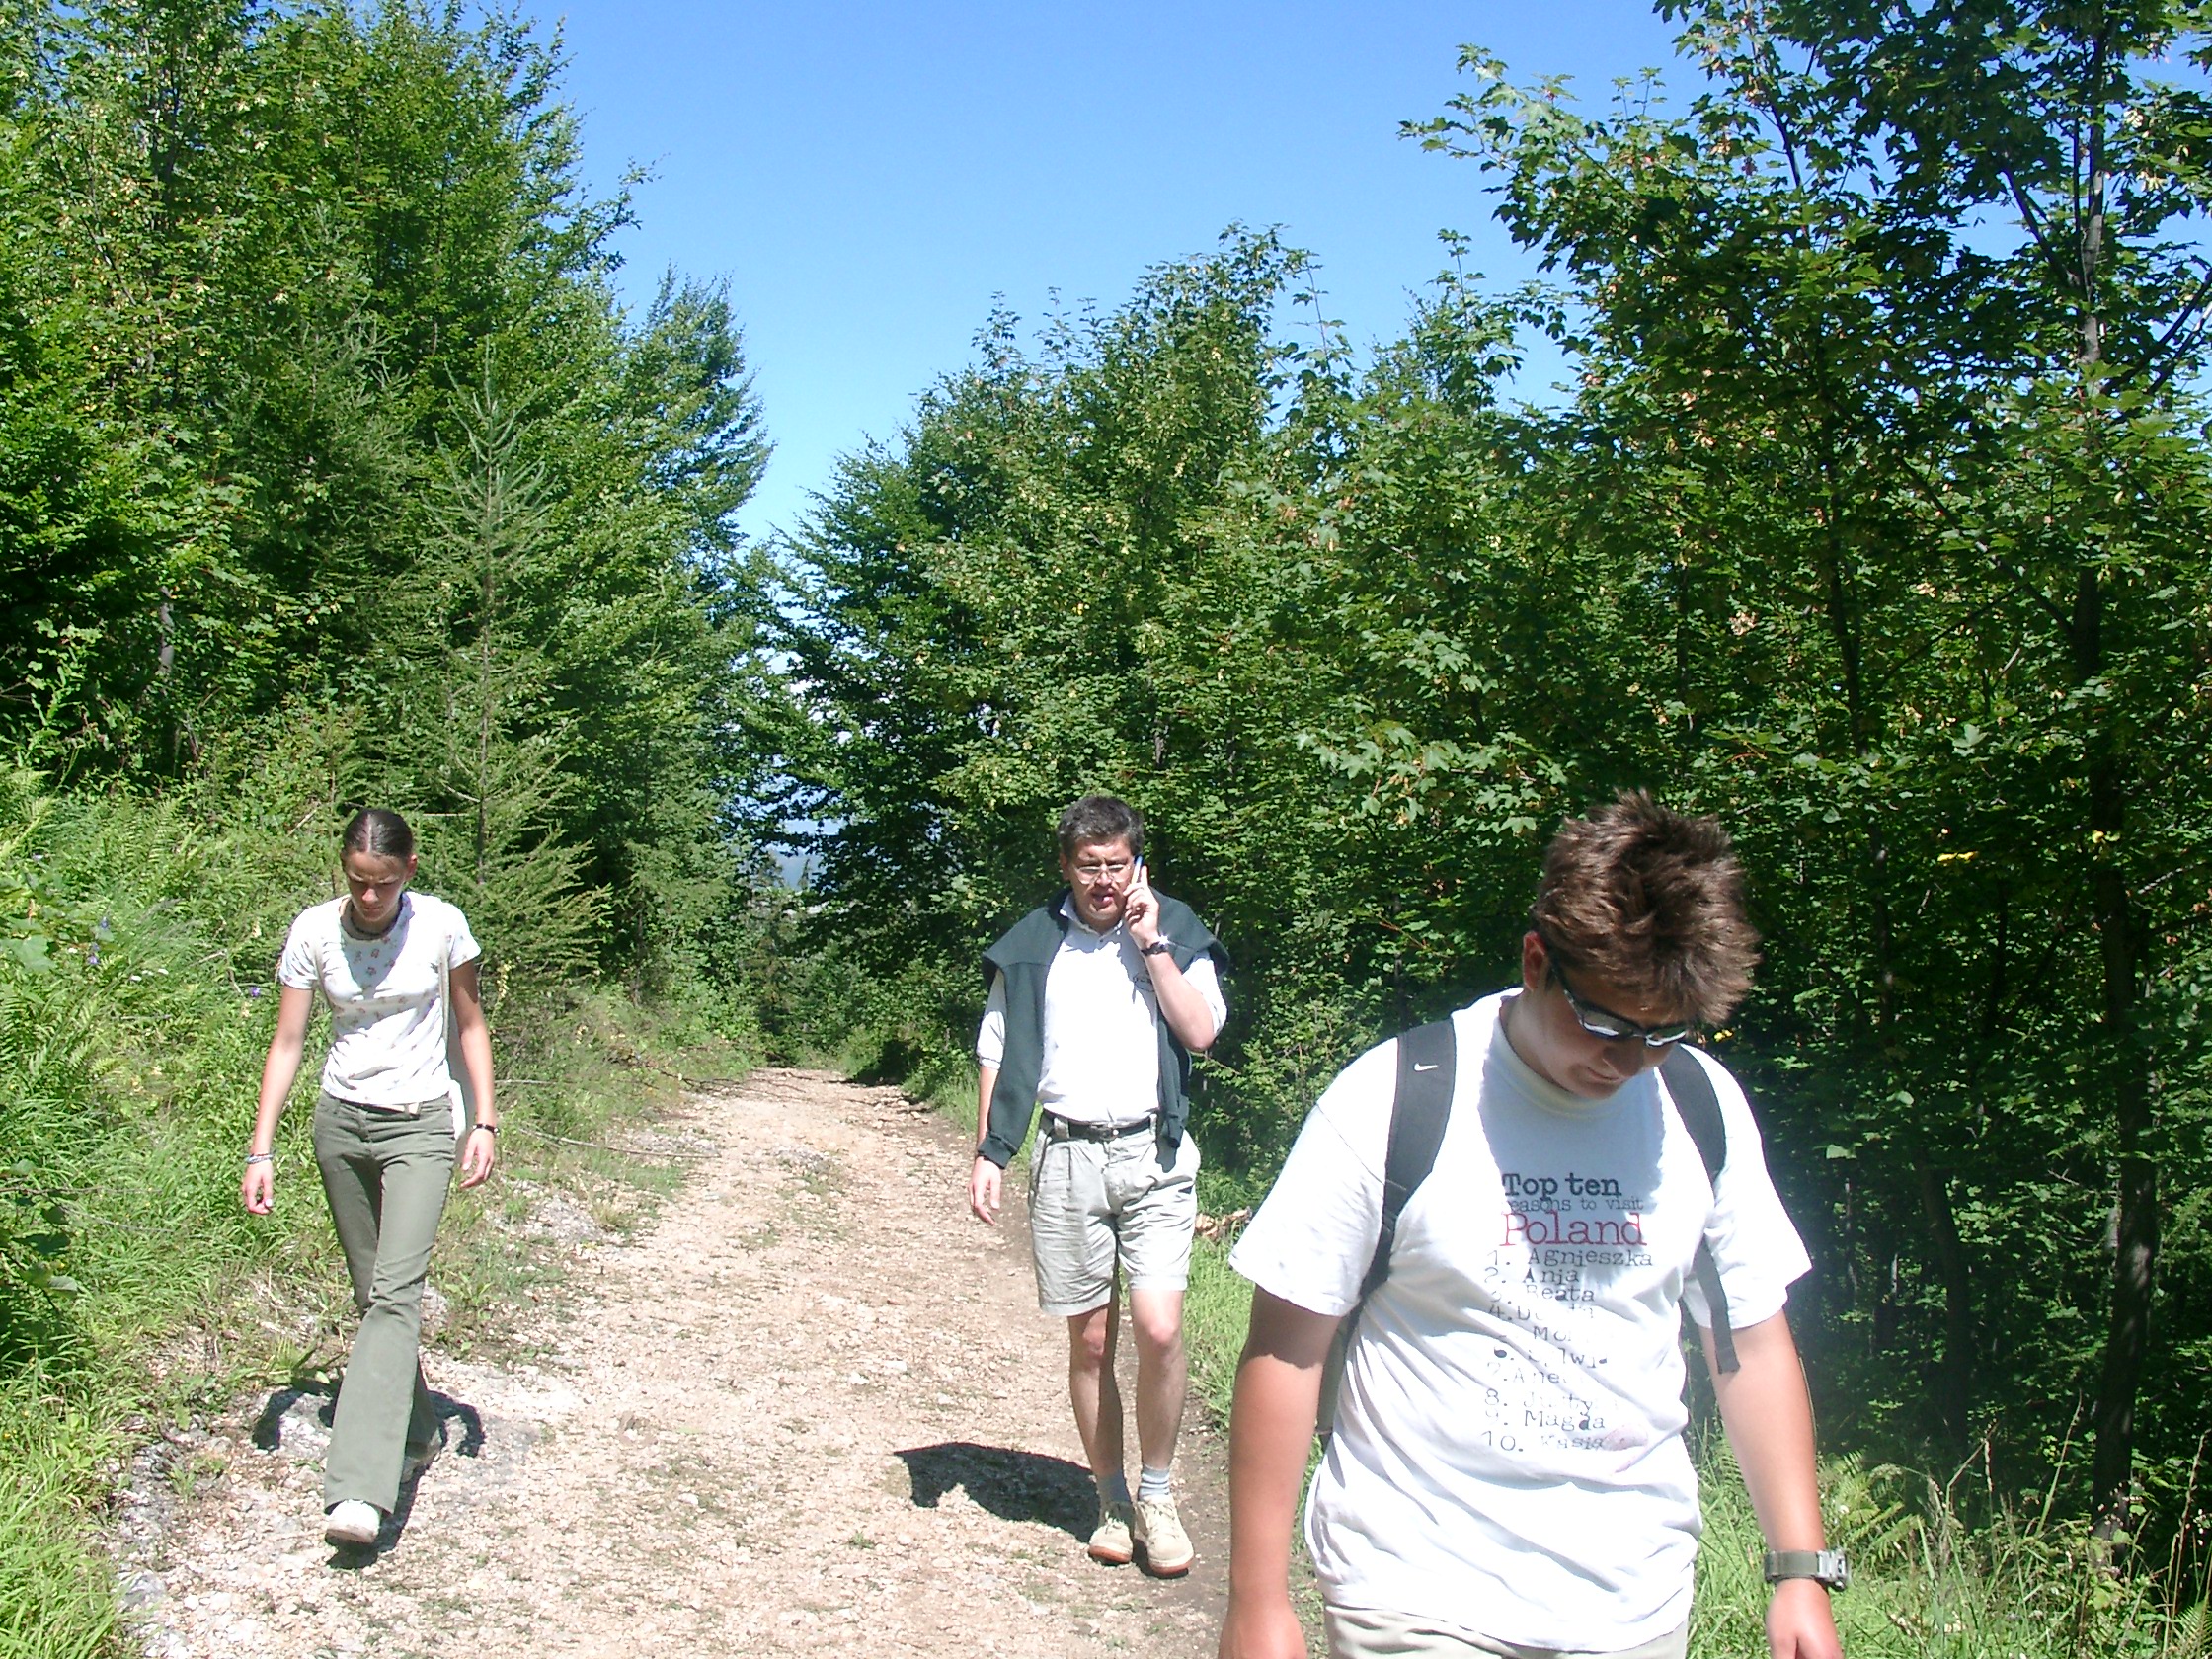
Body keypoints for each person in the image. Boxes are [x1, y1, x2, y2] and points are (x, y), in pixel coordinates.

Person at [1219, 792, 1845, 1659]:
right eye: (1605, 1022)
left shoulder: (1701, 1107)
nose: (1629, 1061)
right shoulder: (1396, 1098)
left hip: (1637, 1603)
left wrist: (1799, 1570)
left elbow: (1751, 1342)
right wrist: (1257, 1602)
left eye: (1663, 1034)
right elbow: (1287, 1350)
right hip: (1416, 1586)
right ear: (1536, 960)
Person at [969, 794, 1229, 1577]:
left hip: (1154, 1154)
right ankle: (1111, 1500)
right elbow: (996, 1049)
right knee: (1089, 1341)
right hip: (1065, 1154)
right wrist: (990, 1151)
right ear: (1066, 867)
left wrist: (1152, 945)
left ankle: (1159, 1496)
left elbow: (1202, 1033)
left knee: (1159, 1329)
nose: (1105, 880)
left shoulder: (1176, 930)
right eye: (1090, 866)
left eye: (1118, 864)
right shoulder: (1032, 944)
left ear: (1137, 864)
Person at [240, 808, 498, 1550]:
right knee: (370, 1292)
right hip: (340, 1124)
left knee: (395, 1293)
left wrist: (483, 1122)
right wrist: (261, 1149)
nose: (371, 896)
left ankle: (359, 1487)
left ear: (409, 870)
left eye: (383, 882)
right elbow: (287, 1041)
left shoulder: (442, 926)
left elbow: (471, 1024)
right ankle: (416, 1431)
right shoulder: (314, 932)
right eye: (358, 881)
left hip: (420, 1123)